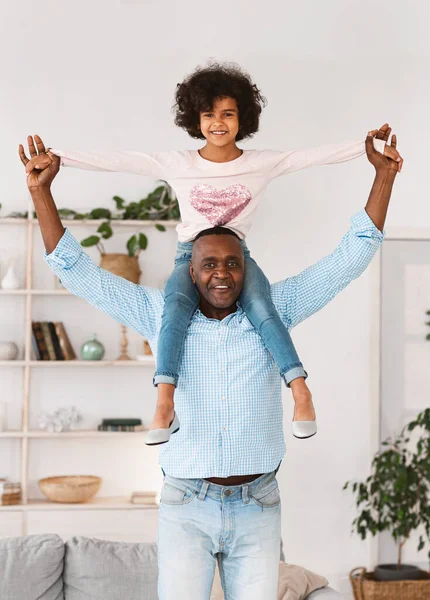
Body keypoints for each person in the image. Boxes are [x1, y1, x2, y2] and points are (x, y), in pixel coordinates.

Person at [19, 128, 399, 599]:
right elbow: (73, 267)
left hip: (258, 503)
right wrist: (41, 190)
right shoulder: (157, 315)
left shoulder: (275, 311)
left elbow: (349, 257)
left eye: (233, 263)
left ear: (246, 268)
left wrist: (383, 177)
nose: (222, 272)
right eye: (210, 264)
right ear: (192, 272)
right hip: (185, 503)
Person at [38, 62, 403, 445]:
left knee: (264, 309)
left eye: (228, 114)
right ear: (195, 118)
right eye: (208, 114)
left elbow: (310, 157)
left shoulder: (260, 163)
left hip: (237, 254)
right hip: (189, 257)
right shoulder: (177, 164)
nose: (218, 122)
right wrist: (58, 155)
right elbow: (120, 160)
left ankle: (300, 389)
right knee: (173, 310)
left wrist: (367, 147)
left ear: (242, 117)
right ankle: (165, 402)